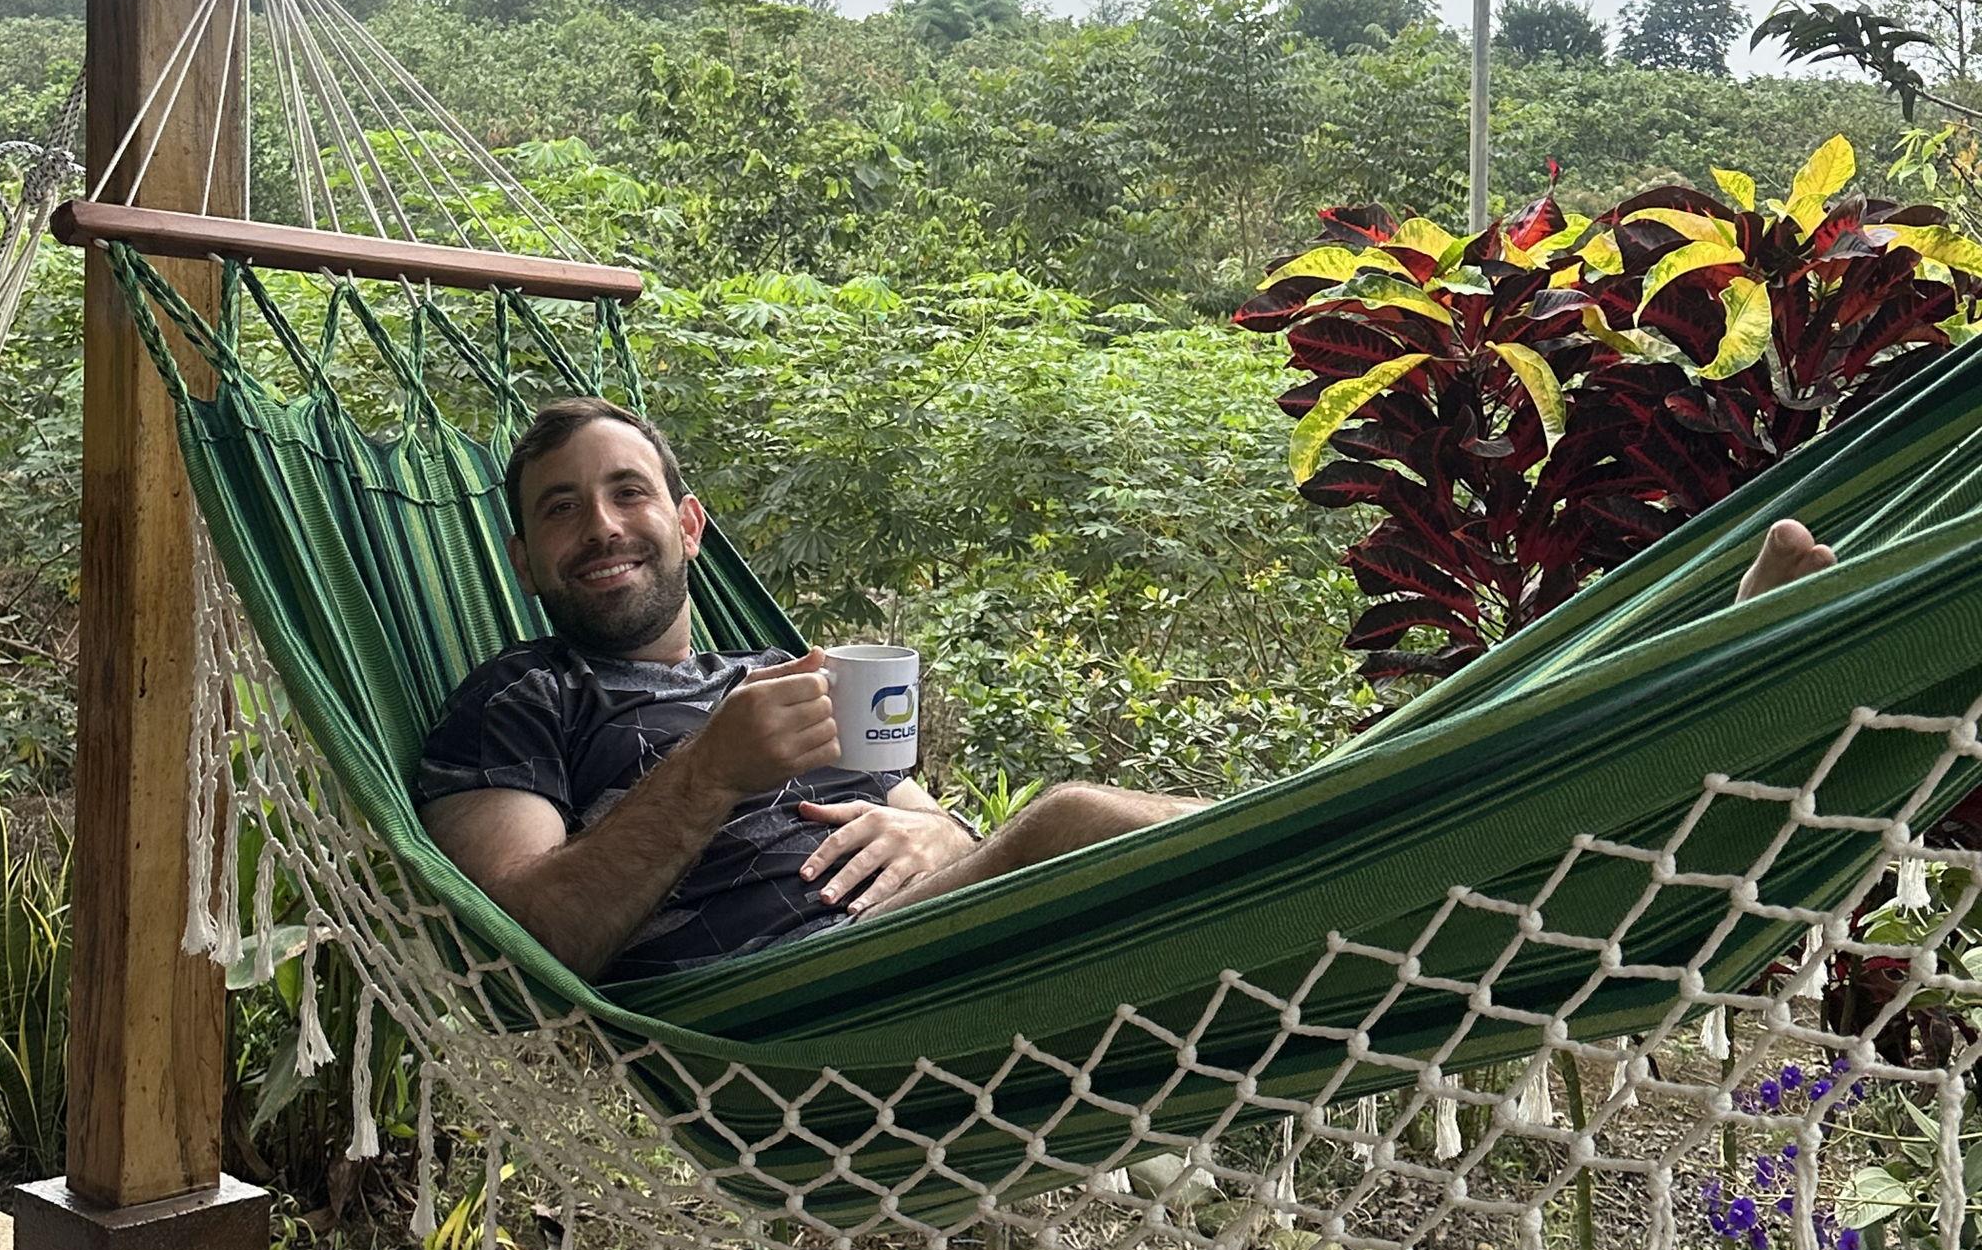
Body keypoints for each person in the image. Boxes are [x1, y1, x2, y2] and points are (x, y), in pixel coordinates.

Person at [415, 397, 1837, 985]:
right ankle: (1586, 812)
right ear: (529, 553)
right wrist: (709, 772)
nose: (602, 528)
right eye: (561, 510)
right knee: (1087, 806)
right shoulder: (515, 701)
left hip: (941, 937)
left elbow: (923, 812)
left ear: (691, 524)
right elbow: (524, 941)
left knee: (1092, 820)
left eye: (627, 494)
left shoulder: (796, 669)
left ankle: (1665, 723)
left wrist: (935, 829)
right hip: (783, 1013)